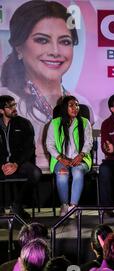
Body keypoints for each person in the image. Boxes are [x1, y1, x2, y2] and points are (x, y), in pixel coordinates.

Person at [0, 1, 79, 169]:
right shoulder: (7, 101)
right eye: (42, 40)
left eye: (65, 41)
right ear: (19, 47)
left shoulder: (79, 105)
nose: (55, 51)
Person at [46, 96, 92, 216]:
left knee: (77, 172)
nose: (75, 108)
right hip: (61, 159)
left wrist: (80, 156)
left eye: (77, 105)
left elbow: (89, 143)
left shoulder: (84, 122)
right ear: (64, 107)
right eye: (71, 105)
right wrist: (61, 158)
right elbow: (49, 145)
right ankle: (64, 205)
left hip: (81, 158)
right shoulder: (55, 123)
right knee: (62, 173)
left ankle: (73, 207)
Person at [0, 95, 41, 220]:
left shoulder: (24, 123)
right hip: (2, 164)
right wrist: (2, 164)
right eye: (9, 106)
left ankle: (17, 205)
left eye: (14, 104)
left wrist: (16, 163)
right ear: (1, 110)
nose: (14, 108)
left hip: (20, 163)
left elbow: (29, 148)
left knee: (35, 173)